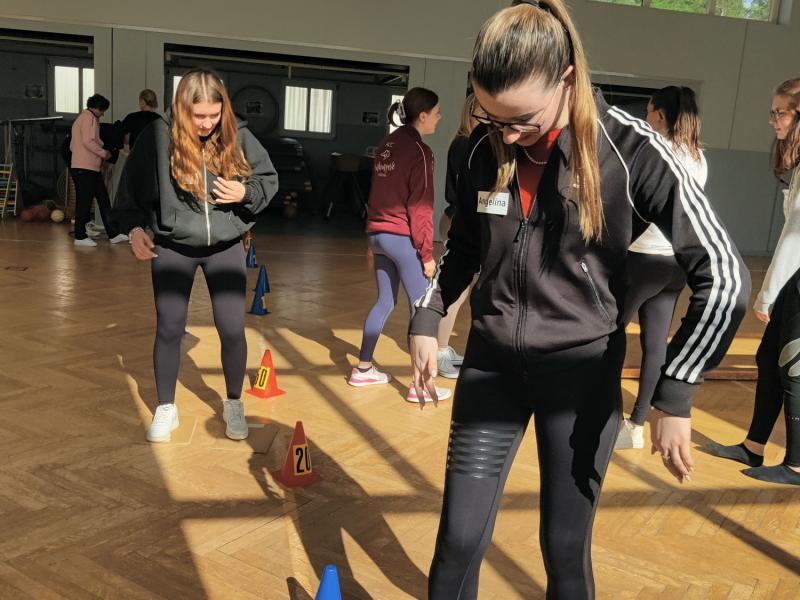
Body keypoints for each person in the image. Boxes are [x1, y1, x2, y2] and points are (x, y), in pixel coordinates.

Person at [407, 1, 750, 597]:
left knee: (564, 550)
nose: (505, 135)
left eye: (520, 120)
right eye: (489, 115)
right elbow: (463, 246)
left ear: (567, 79)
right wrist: (428, 313)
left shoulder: (631, 150)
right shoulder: (479, 149)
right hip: (491, 370)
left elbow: (723, 274)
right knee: (457, 542)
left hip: (581, 379)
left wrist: (676, 393)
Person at [112, 68, 278, 443]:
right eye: (198, 115)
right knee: (169, 328)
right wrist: (135, 230)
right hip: (173, 247)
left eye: (213, 115)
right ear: (182, 109)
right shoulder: (157, 135)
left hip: (225, 246)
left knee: (232, 329)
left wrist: (245, 194)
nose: (206, 124)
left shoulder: (237, 134)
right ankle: (166, 407)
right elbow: (129, 191)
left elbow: (268, 180)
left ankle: (233, 402)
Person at [707, 78, 800, 485]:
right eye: (773, 112)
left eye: (781, 113)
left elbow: (794, 237)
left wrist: (767, 295)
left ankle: (796, 465)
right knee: (767, 359)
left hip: (796, 279)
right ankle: (754, 445)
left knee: (793, 367)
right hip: (793, 278)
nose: (773, 120)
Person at [616, 86, 708, 449]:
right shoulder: (699, 157)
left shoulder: (653, 151)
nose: (645, 118)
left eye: (648, 112)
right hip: (675, 262)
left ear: (659, 115)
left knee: (609, 332)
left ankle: (603, 413)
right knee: (655, 344)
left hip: (643, 256)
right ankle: (636, 425)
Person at [348, 87, 452, 403]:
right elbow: (420, 207)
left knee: (385, 302)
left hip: (377, 235)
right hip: (401, 238)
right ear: (423, 115)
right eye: (437, 112)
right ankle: (419, 386)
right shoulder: (420, 151)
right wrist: (426, 254)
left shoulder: (387, 144)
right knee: (422, 310)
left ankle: (363, 369)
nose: (439, 117)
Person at [436, 93, 479, 379]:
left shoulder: (465, 142)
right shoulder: (466, 144)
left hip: (458, 219)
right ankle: (439, 351)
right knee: (456, 292)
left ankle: (442, 346)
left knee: (461, 292)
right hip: (459, 221)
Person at [70, 93, 127, 246]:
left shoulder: (84, 118)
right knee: (85, 202)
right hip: (84, 168)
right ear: (97, 108)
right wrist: (103, 153)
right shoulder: (88, 118)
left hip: (89, 168)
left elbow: (76, 144)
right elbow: (88, 141)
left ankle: (113, 234)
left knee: (103, 199)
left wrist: (99, 150)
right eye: (103, 110)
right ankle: (80, 237)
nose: (103, 114)